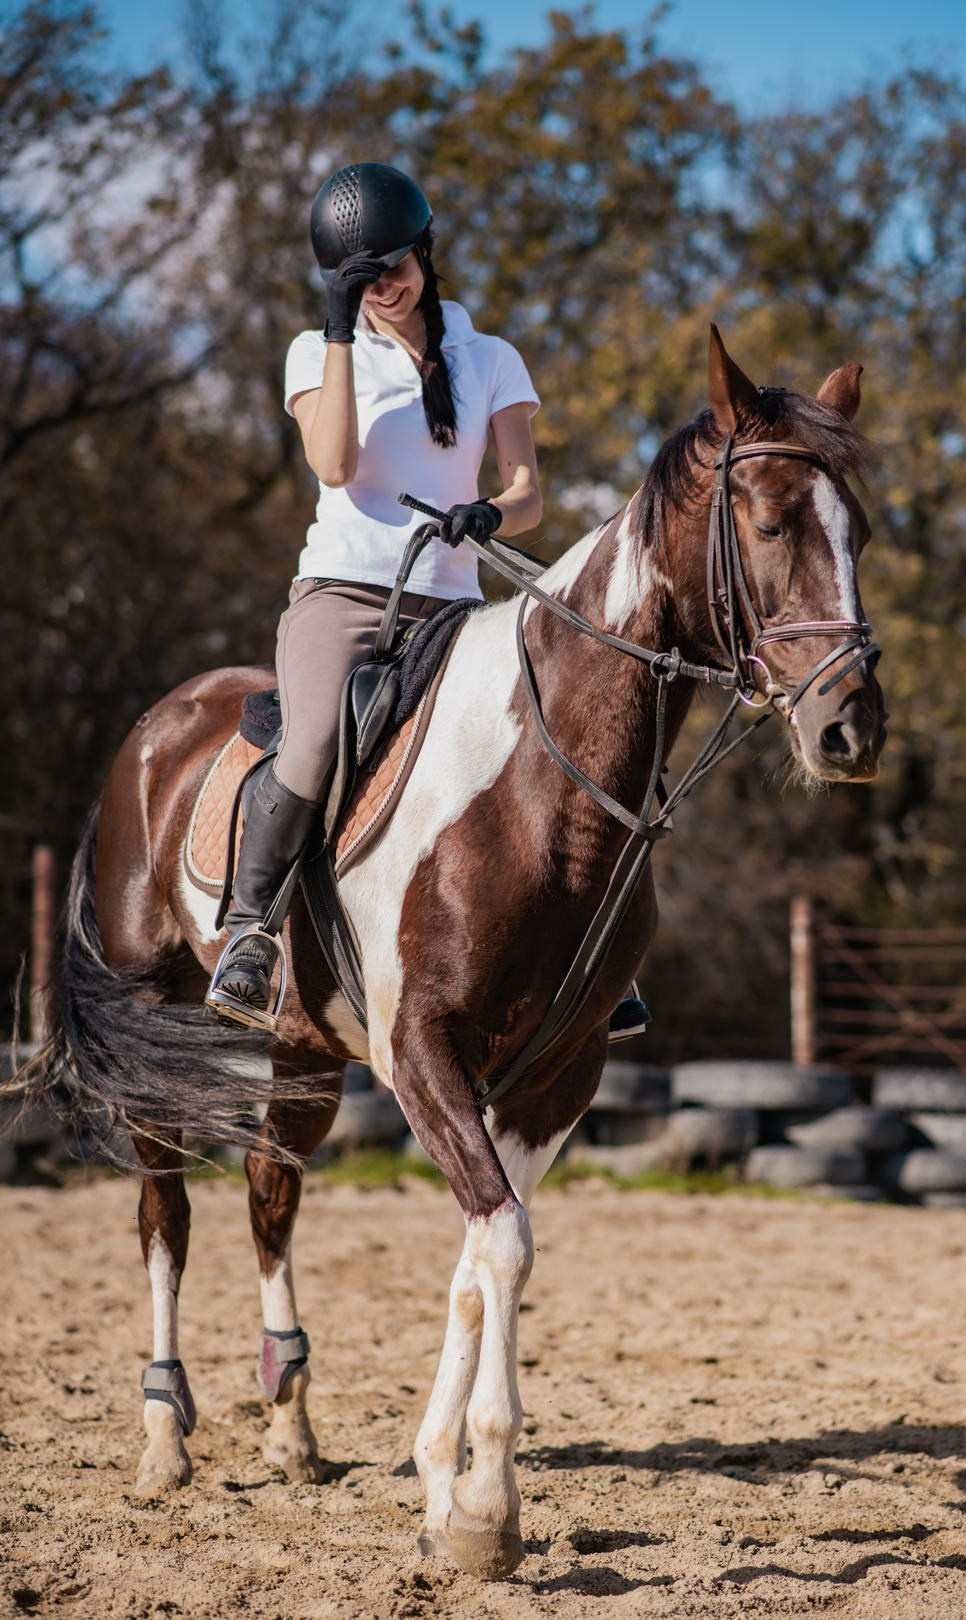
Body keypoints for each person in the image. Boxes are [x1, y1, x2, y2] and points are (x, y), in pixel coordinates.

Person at [205, 161, 649, 1041]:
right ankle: (249, 931)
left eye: (397, 264)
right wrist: (338, 331)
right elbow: (333, 465)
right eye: (362, 278)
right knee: (320, 737)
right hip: (343, 595)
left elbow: (527, 489)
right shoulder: (313, 353)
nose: (386, 286)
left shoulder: (491, 358)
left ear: (426, 250)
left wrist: (490, 509)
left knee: (566, 732)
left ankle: (595, 951)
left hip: (453, 605)